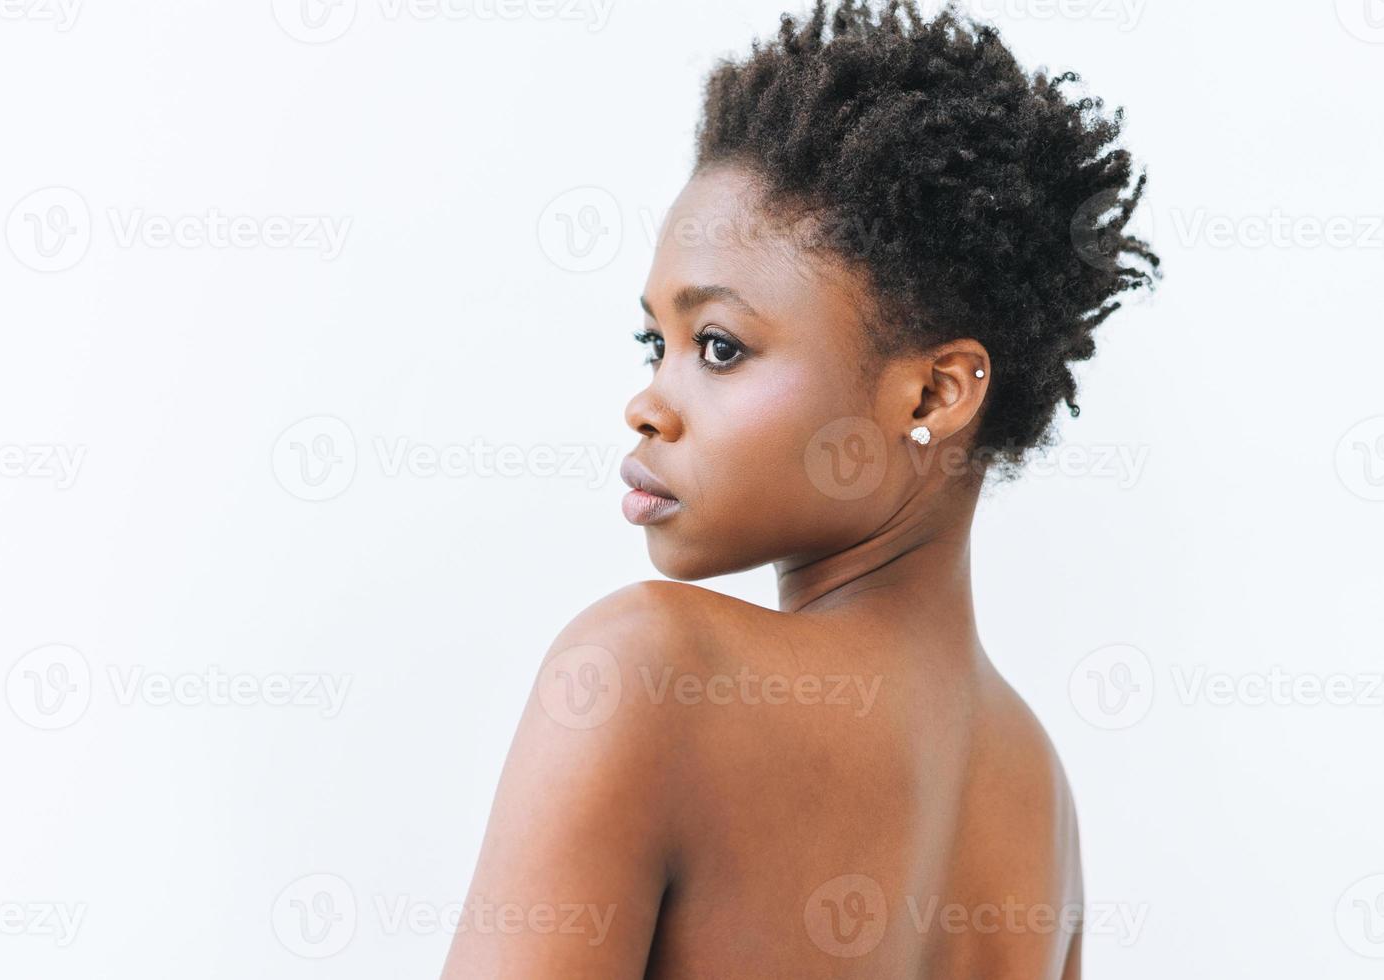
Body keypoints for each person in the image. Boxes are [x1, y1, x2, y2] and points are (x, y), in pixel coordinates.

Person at [444, 1, 1157, 976]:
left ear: (935, 391)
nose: (648, 404)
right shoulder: (1042, 799)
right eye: (658, 342)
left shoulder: (648, 674)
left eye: (720, 346)